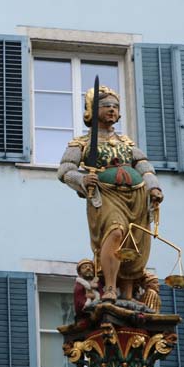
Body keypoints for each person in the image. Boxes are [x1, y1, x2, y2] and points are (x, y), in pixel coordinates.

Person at [57, 85, 164, 302]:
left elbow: (144, 167)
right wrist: (82, 179)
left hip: (136, 196)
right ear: (92, 110)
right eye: (106, 106)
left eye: (115, 106)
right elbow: (65, 170)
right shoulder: (81, 143)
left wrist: (153, 187)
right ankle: (110, 288)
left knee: (133, 242)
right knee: (115, 232)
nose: (112, 109)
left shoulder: (127, 143)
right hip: (106, 195)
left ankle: (128, 293)